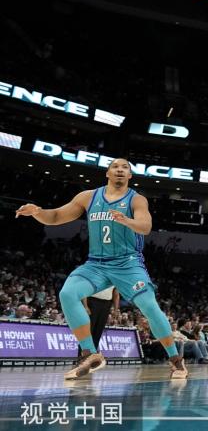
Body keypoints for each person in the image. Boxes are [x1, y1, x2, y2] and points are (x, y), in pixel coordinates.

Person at [15, 158, 187, 379]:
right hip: (96, 264)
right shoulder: (88, 197)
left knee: (149, 306)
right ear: (107, 173)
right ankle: (90, 354)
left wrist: (127, 221)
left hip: (127, 263)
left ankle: (176, 361)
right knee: (68, 294)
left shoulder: (136, 199)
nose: (120, 170)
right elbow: (56, 216)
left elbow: (145, 226)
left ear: (130, 176)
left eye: (125, 167)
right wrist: (37, 212)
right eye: (115, 166)